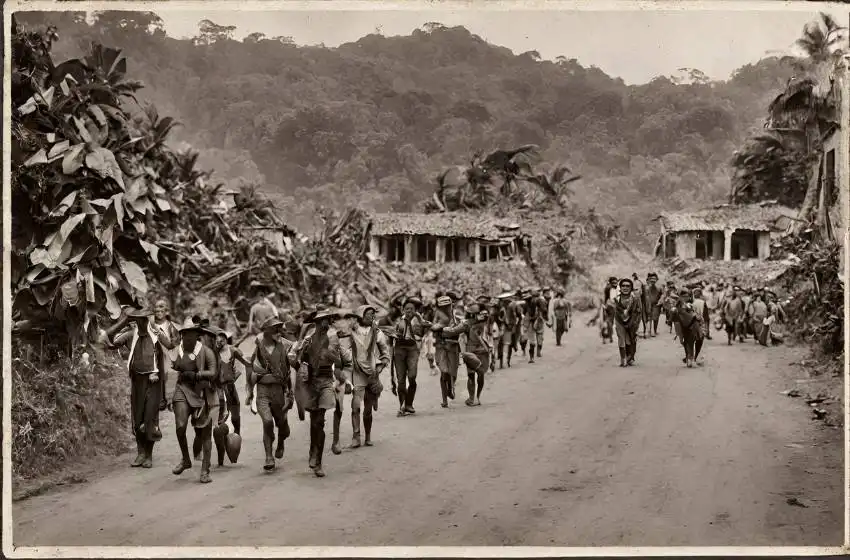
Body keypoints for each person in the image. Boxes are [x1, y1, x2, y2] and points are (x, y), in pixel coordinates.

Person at [289, 308, 353, 478]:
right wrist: (301, 368)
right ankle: (313, 450)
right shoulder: (308, 340)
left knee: (320, 422)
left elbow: (340, 362)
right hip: (311, 383)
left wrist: (338, 370)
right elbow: (294, 358)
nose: (327, 322)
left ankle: (318, 461)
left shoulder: (333, 339)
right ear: (317, 322)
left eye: (328, 319)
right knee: (314, 420)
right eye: (323, 320)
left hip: (326, 381)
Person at [104, 306, 166, 469]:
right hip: (137, 382)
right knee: (137, 418)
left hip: (153, 383)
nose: (141, 323)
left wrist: (163, 395)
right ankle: (140, 453)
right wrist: (124, 320)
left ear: (148, 321)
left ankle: (149, 455)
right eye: (137, 320)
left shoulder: (156, 337)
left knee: (149, 418)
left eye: (143, 319)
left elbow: (162, 364)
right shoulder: (131, 335)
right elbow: (109, 339)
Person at [170, 319, 218, 483]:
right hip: (182, 389)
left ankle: (205, 470)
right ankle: (186, 459)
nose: (187, 337)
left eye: (190, 334)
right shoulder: (178, 350)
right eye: (184, 334)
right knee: (180, 426)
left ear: (196, 335)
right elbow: (172, 367)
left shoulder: (206, 351)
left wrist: (197, 375)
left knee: (205, 433)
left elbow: (213, 373)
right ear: (181, 335)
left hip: (202, 392)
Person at [244, 317, 294, 471]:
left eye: (279, 329)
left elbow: (287, 372)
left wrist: (290, 393)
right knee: (267, 422)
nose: (278, 332)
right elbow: (252, 371)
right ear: (267, 331)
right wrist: (250, 392)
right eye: (275, 329)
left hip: (279, 391)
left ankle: (280, 441)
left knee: (282, 427)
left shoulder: (283, 346)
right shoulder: (259, 348)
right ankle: (268, 457)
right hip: (263, 392)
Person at [337, 305, 389, 449]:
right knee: (355, 406)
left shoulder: (377, 333)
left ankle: (368, 436)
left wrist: (378, 370)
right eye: (368, 314)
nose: (372, 316)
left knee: (368, 409)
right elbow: (344, 352)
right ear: (361, 315)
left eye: (373, 314)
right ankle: (356, 436)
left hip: (372, 374)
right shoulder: (351, 332)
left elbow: (385, 354)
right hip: (357, 374)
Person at [436, 304, 493, 406]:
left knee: (472, 375)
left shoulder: (467, 323)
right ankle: (477, 398)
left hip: (471, 350)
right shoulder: (485, 320)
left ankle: (472, 398)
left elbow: (453, 331)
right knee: (480, 375)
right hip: (484, 350)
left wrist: (442, 329)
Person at [390, 298, 428, 416]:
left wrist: (420, 319)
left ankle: (409, 403)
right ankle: (402, 406)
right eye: (407, 308)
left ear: (416, 310)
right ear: (403, 310)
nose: (409, 311)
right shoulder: (398, 321)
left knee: (412, 377)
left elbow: (429, 326)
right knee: (401, 380)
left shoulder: (419, 321)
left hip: (412, 350)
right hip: (399, 350)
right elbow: (390, 335)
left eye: (412, 309)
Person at [432, 294, 461, 408]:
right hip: (441, 346)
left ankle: (450, 388)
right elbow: (433, 328)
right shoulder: (438, 316)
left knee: (453, 373)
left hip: (453, 346)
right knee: (444, 372)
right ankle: (444, 399)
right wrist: (440, 328)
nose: (446, 308)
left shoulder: (455, 316)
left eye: (447, 305)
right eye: (443, 307)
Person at [610, 278, 641, 367]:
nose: (625, 288)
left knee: (629, 339)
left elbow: (638, 312)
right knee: (621, 338)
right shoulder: (616, 299)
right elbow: (614, 311)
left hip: (632, 322)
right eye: (623, 286)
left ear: (631, 288)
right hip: (619, 320)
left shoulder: (635, 299)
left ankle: (629, 357)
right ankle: (623, 359)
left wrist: (635, 324)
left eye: (628, 286)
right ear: (620, 287)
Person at [643, 273, 663, 337]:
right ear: (649, 279)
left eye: (654, 278)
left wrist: (660, 300)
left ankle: (655, 330)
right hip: (648, 304)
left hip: (656, 304)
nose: (653, 280)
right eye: (651, 278)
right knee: (649, 318)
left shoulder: (660, 286)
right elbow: (644, 296)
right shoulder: (646, 287)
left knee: (656, 318)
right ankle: (649, 331)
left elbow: (663, 294)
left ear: (657, 279)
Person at [600, 277, 618, 344]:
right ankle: (610, 337)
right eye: (614, 283)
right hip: (610, 306)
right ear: (611, 283)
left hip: (606, 306)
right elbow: (612, 299)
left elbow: (604, 298)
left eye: (616, 282)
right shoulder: (611, 289)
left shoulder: (607, 287)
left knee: (607, 322)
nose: (615, 284)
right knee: (610, 322)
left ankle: (607, 338)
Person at [631, 273, 647, 337]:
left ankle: (641, 330)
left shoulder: (637, 282)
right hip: (637, 300)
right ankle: (638, 330)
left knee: (640, 315)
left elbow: (641, 292)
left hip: (638, 300)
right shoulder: (636, 282)